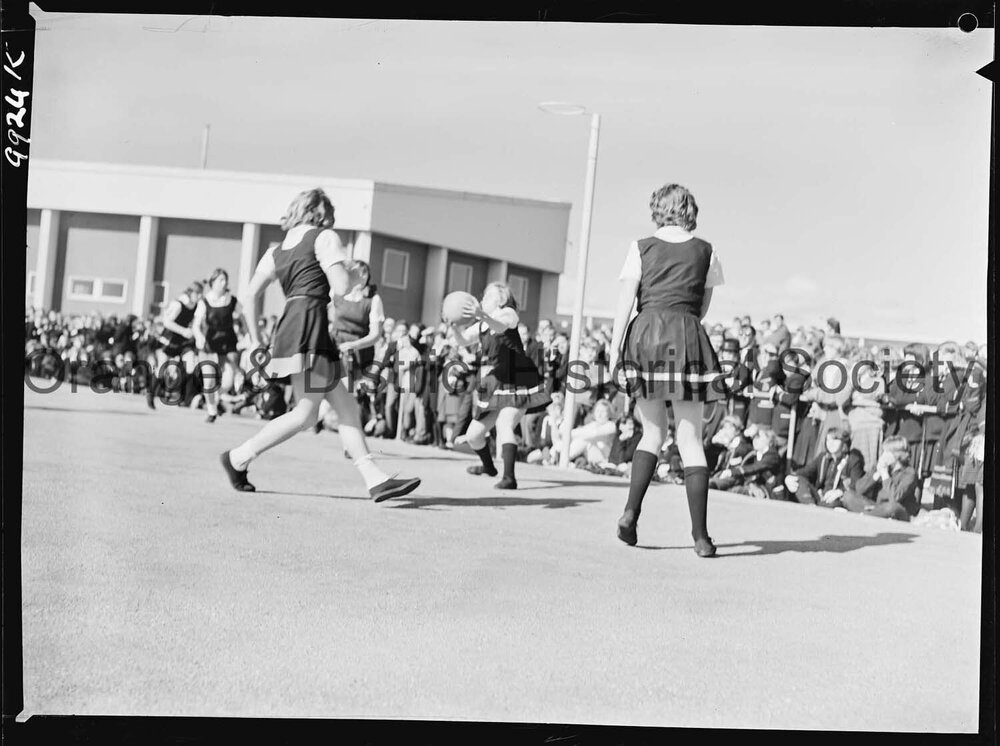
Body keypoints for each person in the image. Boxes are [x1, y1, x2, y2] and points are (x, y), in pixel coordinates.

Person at [219, 188, 420, 502]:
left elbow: (248, 298)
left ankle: (374, 478)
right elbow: (340, 286)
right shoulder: (324, 238)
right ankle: (237, 457)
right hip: (310, 322)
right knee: (305, 415)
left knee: (345, 406)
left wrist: (257, 342)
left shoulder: (276, 249)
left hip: (294, 322)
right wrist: (353, 275)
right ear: (322, 213)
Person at [609, 183, 725, 557]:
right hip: (687, 333)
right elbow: (702, 307)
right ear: (690, 209)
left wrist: (614, 353)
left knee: (651, 434)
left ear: (657, 209)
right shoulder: (707, 251)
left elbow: (626, 303)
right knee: (690, 439)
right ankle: (701, 537)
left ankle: (630, 513)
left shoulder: (640, 247)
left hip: (645, 335)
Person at [449, 281, 550, 490]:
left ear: (501, 299)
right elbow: (464, 341)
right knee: (473, 436)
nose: (483, 298)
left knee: (505, 424)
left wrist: (481, 315)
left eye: (488, 295)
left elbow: (501, 327)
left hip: (516, 378)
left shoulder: (508, 313)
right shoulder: (482, 324)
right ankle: (488, 467)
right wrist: (454, 326)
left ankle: (509, 478)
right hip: (495, 380)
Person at [319, 259, 386, 438]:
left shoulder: (373, 300)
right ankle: (321, 416)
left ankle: (351, 439)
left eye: (364, 273)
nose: (361, 276)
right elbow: (325, 316)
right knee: (327, 387)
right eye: (357, 272)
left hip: (358, 351)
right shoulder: (337, 293)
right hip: (335, 345)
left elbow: (376, 335)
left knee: (350, 396)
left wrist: (353, 345)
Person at [193, 268, 245, 423]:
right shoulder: (204, 301)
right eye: (220, 280)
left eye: (225, 280)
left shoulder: (232, 300)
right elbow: (196, 325)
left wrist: (249, 335)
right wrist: (198, 336)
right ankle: (211, 410)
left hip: (228, 344)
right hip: (208, 344)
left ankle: (218, 395)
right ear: (212, 283)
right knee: (209, 381)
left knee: (227, 382)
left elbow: (244, 317)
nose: (224, 283)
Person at [838, 436, 919, 521]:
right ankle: (869, 514)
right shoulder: (880, 465)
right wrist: (876, 475)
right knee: (848, 495)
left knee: (892, 507)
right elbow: (858, 489)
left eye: (887, 452)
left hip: (897, 509)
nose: (883, 455)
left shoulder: (909, 473)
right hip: (876, 506)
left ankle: (864, 514)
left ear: (898, 454)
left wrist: (885, 475)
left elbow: (895, 497)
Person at [151, 281, 204, 408]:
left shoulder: (197, 306)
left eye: (201, 294)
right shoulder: (178, 304)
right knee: (162, 369)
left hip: (185, 341)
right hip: (171, 339)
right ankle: (151, 393)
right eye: (198, 294)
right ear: (191, 292)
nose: (199, 297)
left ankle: (187, 398)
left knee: (190, 365)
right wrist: (183, 330)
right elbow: (166, 322)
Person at [784, 427, 865, 506]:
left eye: (834, 439)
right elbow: (804, 472)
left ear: (844, 442)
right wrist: (789, 478)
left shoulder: (853, 460)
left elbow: (856, 486)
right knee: (798, 480)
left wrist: (840, 492)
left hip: (837, 498)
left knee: (836, 501)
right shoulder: (823, 457)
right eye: (828, 439)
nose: (830, 443)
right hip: (821, 496)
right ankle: (810, 506)